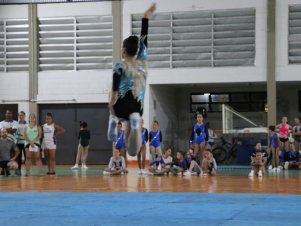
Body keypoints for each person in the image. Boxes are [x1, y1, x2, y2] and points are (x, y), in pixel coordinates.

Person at [107, 3, 157, 157]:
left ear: (123, 50)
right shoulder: (143, 61)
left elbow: (115, 85)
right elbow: (144, 39)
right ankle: (135, 125)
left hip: (120, 107)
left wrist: (112, 105)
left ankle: (113, 120)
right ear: (137, 50)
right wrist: (145, 18)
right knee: (133, 150)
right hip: (137, 106)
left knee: (130, 149)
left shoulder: (119, 66)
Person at [15, 111, 27, 176]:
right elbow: (15, 134)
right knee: (18, 157)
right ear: (18, 116)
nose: (21, 116)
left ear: (24, 116)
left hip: (25, 143)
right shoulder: (16, 124)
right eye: (20, 115)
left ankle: (27, 170)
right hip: (18, 142)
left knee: (26, 157)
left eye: (22, 115)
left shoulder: (27, 124)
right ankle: (18, 170)